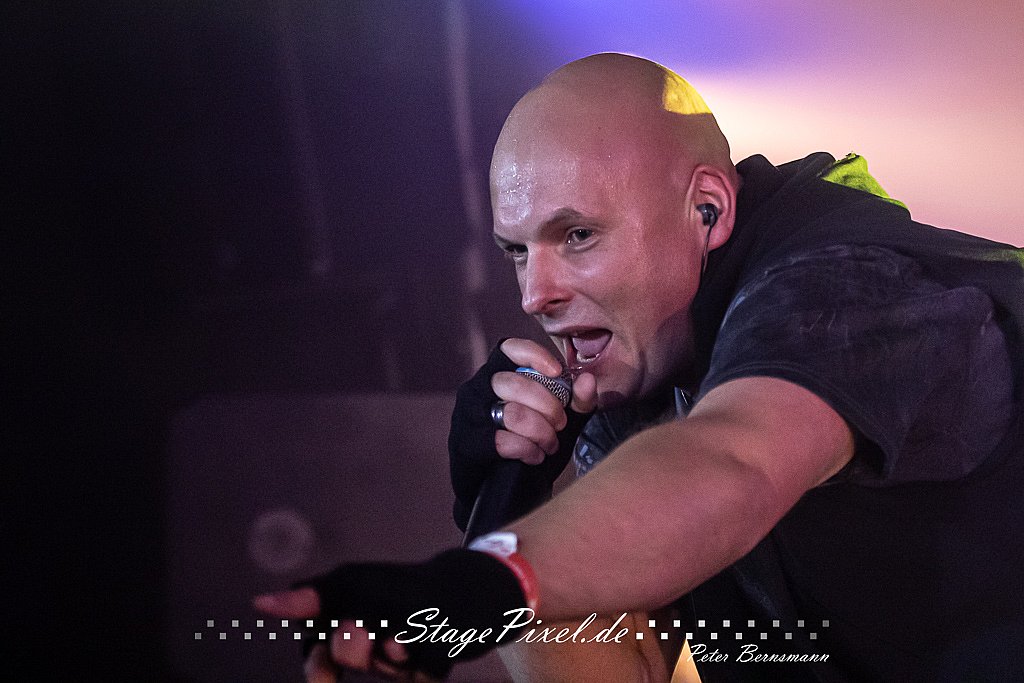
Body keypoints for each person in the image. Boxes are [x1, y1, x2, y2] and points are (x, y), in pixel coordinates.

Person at [254, 53, 1024, 682]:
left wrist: (472, 583)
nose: (534, 294)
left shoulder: (843, 285)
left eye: (578, 235)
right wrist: (507, 510)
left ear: (707, 210)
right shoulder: (646, 367)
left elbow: (734, 462)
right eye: (518, 250)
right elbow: (619, 663)